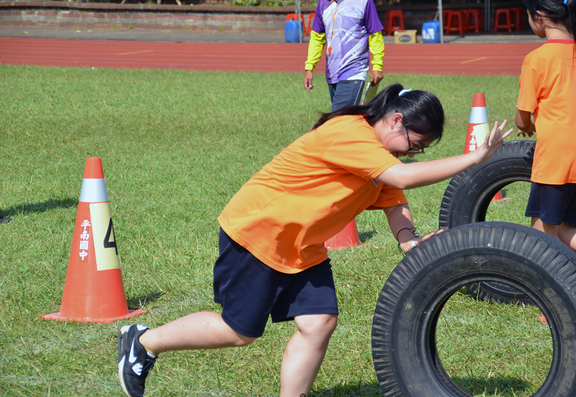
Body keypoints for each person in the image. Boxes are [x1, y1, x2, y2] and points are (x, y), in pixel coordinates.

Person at [117, 83, 512, 397]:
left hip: (303, 247)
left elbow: (395, 202)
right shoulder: (350, 133)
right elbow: (403, 179)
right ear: (395, 121)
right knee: (239, 332)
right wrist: (474, 158)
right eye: (415, 145)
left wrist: (409, 242)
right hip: (260, 234)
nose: (412, 155)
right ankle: (143, 341)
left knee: (319, 322)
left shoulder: (381, 157)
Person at [515, 0, 576, 265]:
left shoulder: (537, 59)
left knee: (550, 234)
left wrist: (528, 126)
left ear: (538, 16)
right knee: (558, 225)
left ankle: (549, 297)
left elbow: (521, 119)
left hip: (557, 155)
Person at [303, 0, 385, 111]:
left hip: (354, 71)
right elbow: (317, 39)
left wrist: (377, 66)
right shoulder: (323, 3)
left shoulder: (364, 2)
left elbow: (375, 36)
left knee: (338, 119)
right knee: (345, 121)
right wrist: (309, 68)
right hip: (332, 74)